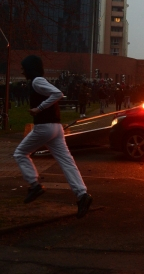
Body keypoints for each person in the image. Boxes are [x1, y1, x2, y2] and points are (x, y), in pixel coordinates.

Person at [13, 55, 93, 218]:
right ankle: (82, 195)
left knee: (20, 153)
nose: (21, 71)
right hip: (56, 127)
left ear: (30, 68)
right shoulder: (39, 81)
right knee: (67, 162)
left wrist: (39, 108)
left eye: (23, 68)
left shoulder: (37, 81)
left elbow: (58, 93)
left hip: (44, 127)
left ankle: (34, 185)